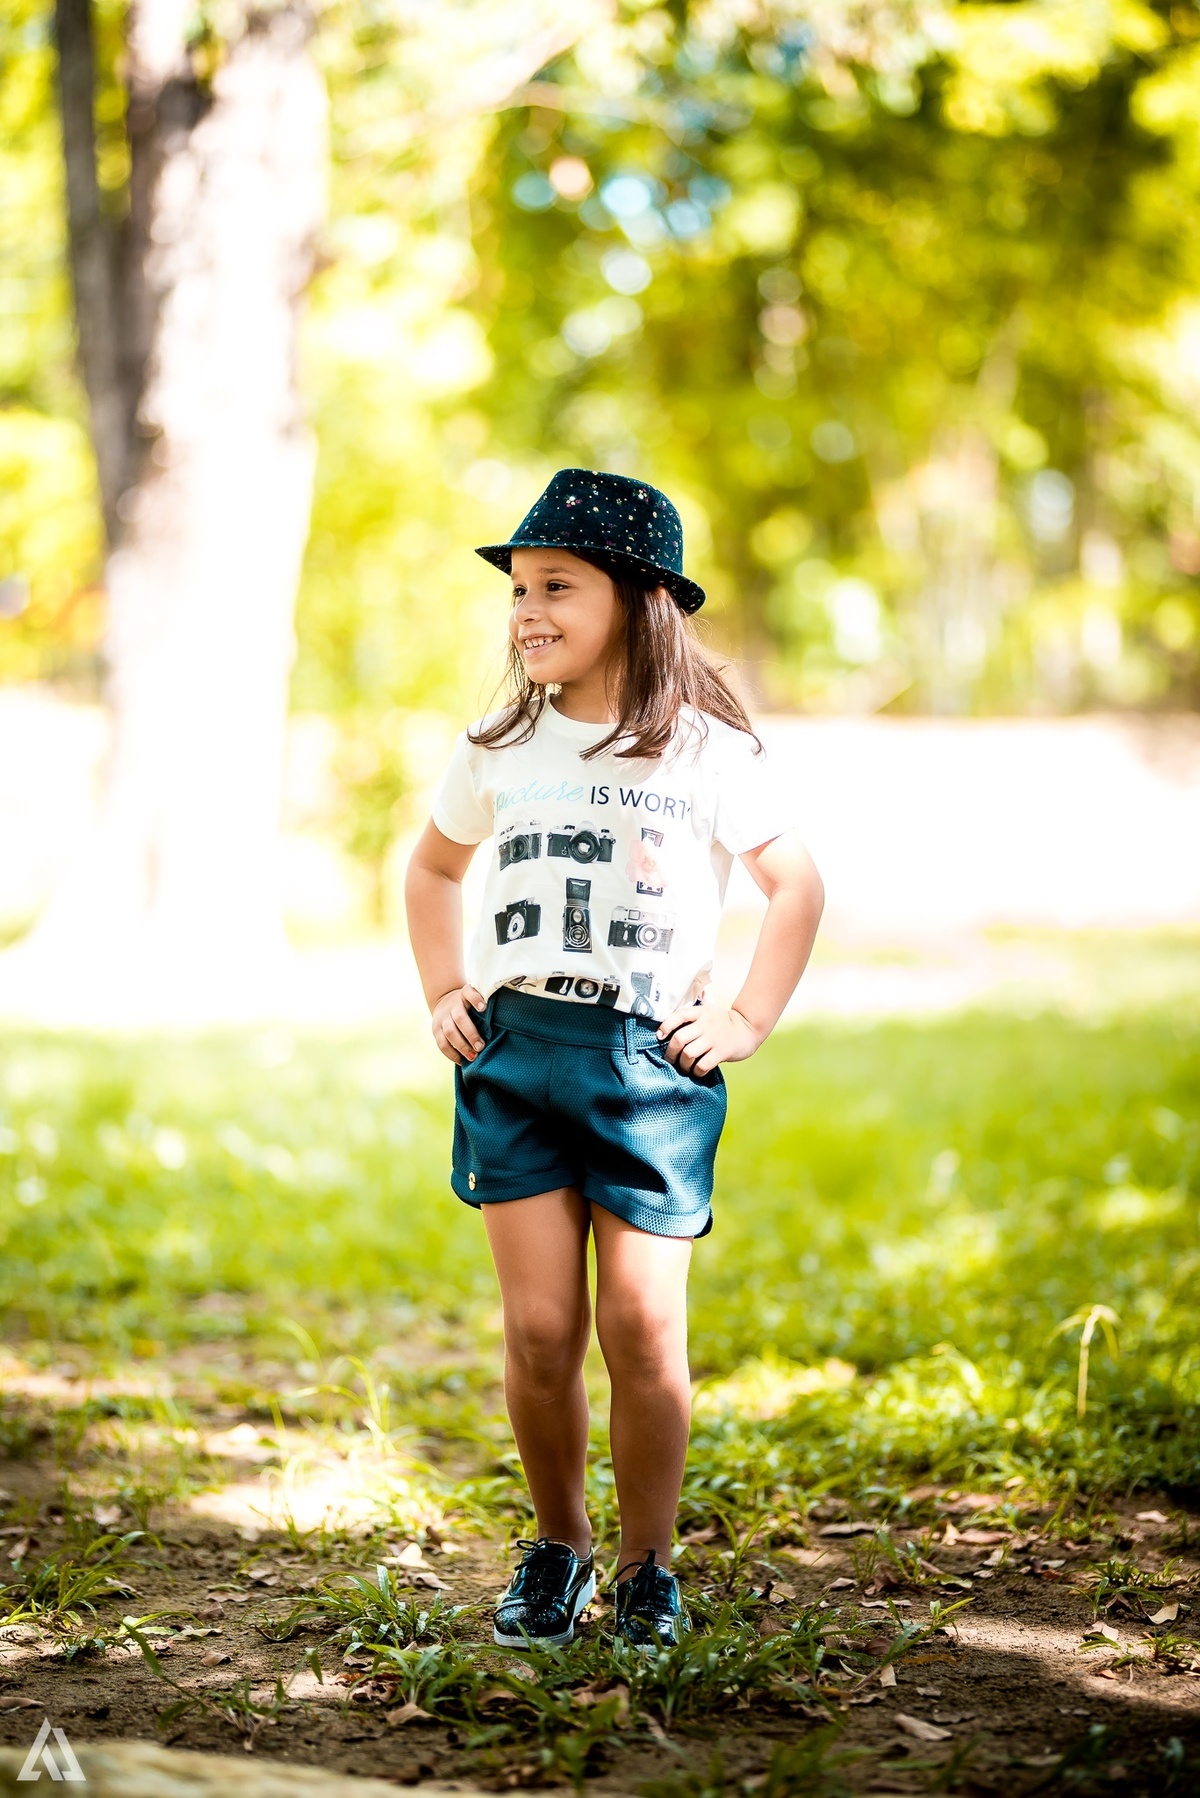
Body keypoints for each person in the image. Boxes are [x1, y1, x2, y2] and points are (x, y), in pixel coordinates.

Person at [405, 468, 824, 1649]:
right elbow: (432, 870)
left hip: (649, 1067)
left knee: (642, 1330)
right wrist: (444, 985)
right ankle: (560, 1546)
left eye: (556, 587)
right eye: (519, 590)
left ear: (637, 601)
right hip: (520, 1051)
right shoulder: (498, 743)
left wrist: (743, 1018)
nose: (526, 611)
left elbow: (796, 887)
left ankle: (649, 1564)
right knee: (541, 1330)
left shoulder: (705, 750)